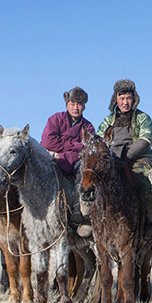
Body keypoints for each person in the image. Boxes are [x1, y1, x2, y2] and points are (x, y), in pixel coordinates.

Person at [96, 79, 152, 240]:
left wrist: (126, 156)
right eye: (121, 98)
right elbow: (98, 140)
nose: (125, 102)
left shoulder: (142, 118)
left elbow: (146, 139)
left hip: (138, 158)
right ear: (115, 100)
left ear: (134, 99)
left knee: (144, 182)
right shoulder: (108, 120)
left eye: (128, 98)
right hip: (113, 159)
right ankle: (92, 221)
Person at [41, 86, 95, 236]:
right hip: (52, 158)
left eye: (79, 104)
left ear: (84, 106)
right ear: (66, 105)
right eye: (72, 104)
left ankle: (80, 210)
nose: (75, 108)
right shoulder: (55, 119)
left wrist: (64, 152)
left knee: (84, 171)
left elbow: (88, 147)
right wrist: (75, 145)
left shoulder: (87, 126)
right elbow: (48, 142)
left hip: (75, 161)